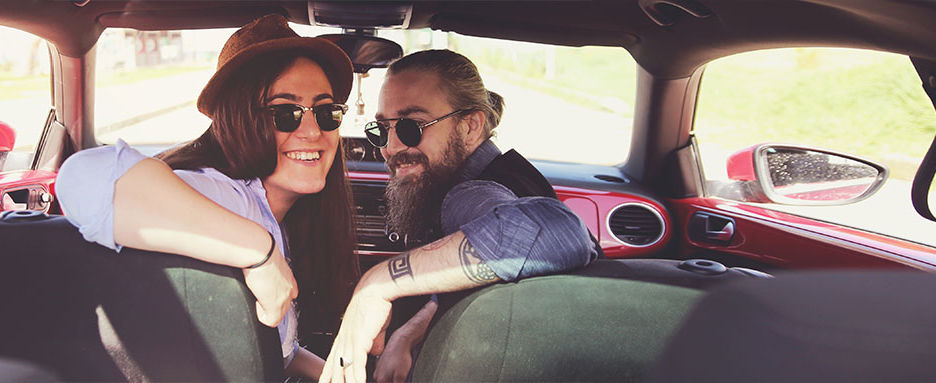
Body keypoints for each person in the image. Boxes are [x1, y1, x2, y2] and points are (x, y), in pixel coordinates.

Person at [54, 14, 358, 380]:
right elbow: (82, 179)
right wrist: (258, 251)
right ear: (238, 119)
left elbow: (272, 348)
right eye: (286, 113)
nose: (312, 131)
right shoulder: (223, 197)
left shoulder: (279, 215)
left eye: (326, 112)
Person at [320, 49, 600, 383]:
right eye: (381, 129)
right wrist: (410, 332)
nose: (391, 148)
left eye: (411, 126)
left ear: (470, 126)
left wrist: (377, 283)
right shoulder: (503, 172)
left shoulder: (468, 193)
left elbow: (562, 232)